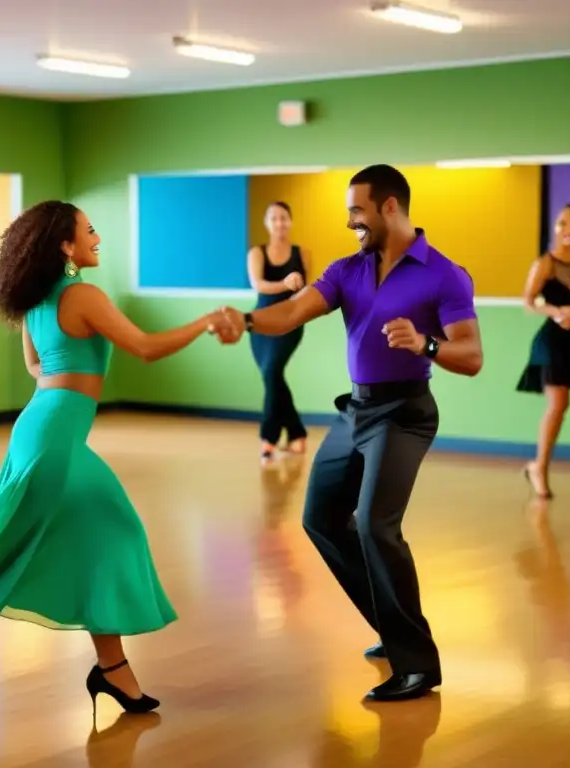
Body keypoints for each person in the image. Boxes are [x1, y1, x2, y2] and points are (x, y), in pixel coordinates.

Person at [0, 200, 221, 720]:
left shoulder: (35, 300)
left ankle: (106, 669)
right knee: (63, 537)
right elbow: (144, 347)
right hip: (57, 437)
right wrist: (206, 321)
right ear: (65, 246)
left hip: (42, 425)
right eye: (89, 232)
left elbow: (35, 365)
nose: (98, 238)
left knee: (93, 532)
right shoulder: (82, 295)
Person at [215, 165, 483, 701]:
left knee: (376, 528)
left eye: (357, 211)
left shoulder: (445, 274)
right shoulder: (348, 269)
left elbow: (471, 356)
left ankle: (417, 666)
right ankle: (393, 627)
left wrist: (426, 345)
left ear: (389, 207)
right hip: (356, 412)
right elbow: (291, 311)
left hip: (405, 412)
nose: (351, 222)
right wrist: (246, 320)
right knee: (320, 519)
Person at [517, 203, 570, 498]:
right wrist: (556, 311)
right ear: (555, 226)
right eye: (563, 223)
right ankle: (539, 468)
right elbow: (529, 301)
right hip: (553, 341)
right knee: (559, 403)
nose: (569, 229)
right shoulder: (545, 263)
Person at [247, 201, 310, 465]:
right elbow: (258, 285)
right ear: (266, 223)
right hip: (260, 322)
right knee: (271, 376)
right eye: (273, 218)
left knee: (272, 372)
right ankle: (297, 433)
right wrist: (284, 283)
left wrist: (297, 287)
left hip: (289, 322)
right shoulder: (257, 252)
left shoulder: (302, 252)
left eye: (283, 218)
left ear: (290, 221)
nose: (279, 223)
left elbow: (308, 290)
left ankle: (268, 439)